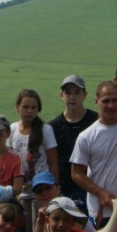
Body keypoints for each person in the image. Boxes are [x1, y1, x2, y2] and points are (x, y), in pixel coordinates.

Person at [70, 81, 117, 228]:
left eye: (115, 100)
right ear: (97, 101)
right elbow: (76, 173)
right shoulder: (86, 136)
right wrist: (100, 193)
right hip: (100, 211)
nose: (111, 105)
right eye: (106, 101)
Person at [48, 75, 97, 204]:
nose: (72, 97)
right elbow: (52, 161)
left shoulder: (96, 121)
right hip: (63, 190)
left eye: (77, 92)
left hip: (91, 188)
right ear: (61, 95)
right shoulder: (53, 126)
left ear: (85, 95)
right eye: (68, 92)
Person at [8, 88, 58, 184]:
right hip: (19, 185)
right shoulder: (12, 129)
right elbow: (8, 160)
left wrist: (54, 186)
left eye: (33, 107)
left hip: (42, 185)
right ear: (17, 107)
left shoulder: (46, 130)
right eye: (25, 107)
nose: (30, 111)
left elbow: (53, 164)